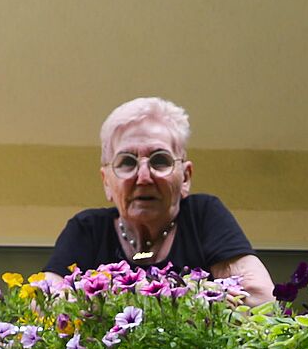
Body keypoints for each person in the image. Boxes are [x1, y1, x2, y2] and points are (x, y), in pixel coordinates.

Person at [44, 96, 274, 304]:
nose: (144, 177)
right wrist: (200, 297)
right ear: (107, 182)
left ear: (185, 177)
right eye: (127, 162)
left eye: (160, 160)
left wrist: (100, 300)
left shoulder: (203, 216)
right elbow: (43, 303)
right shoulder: (87, 229)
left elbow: (260, 298)